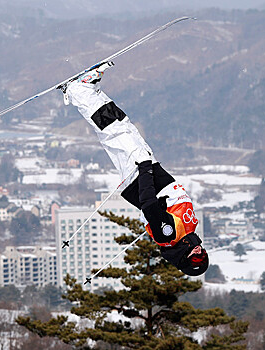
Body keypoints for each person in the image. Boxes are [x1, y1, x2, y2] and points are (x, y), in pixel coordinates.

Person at [59, 62, 209, 276]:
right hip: (147, 167)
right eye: (202, 254)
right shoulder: (186, 232)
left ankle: (78, 90)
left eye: (195, 257)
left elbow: (149, 204)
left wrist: (145, 169)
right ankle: (86, 90)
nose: (198, 251)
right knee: (121, 125)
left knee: (114, 130)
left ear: (182, 257)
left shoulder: (167, 236)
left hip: (140, 174)